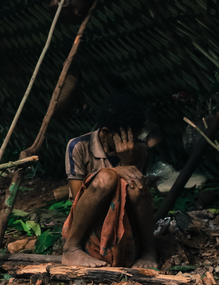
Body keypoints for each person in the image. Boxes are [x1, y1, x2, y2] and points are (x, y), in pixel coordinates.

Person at [61, 93, 161, 269]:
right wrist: (116, 169)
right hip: (91, 225)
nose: (130, 143)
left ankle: (148, 251)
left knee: (135, 186)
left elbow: (135, 196)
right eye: (125, 137)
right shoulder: (79, 146)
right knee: (106, 178)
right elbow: (78, 197)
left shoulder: (139, 149)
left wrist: (128, 162)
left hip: (125, 223)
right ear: (106, 132)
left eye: (134, 136)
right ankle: (71, 249)